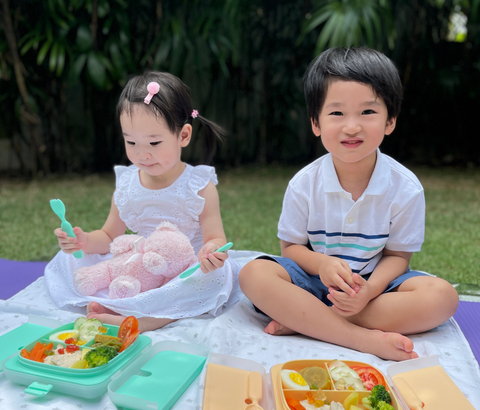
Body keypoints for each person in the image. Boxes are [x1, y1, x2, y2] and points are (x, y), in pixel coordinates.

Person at [239, 47, 459, 361]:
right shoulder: (305, 183)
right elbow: (290, 249)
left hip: (375, 291)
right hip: (314, 284)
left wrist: (368, 291)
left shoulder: (405, 187)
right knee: (252, 274)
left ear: (390, 120)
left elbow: (398, 256)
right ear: (316, 123)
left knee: (443, 297)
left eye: (368, 112)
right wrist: (323, 265)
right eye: (337, 113)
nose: (352, 126)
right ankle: (357, 338)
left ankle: (307, 320)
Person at [45, 72, 240, 331]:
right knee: (67, 260)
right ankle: (126, 303)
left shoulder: (198, 186)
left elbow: (215, 238)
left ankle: (143, 318)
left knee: (218, 276)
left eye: (155, 142)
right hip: (139, 266)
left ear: (183, 135)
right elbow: (108, 236)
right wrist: (83, 241)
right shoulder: (127, 184)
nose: (142, 153)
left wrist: (211, 252)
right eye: (131, 141)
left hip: (182, 270)